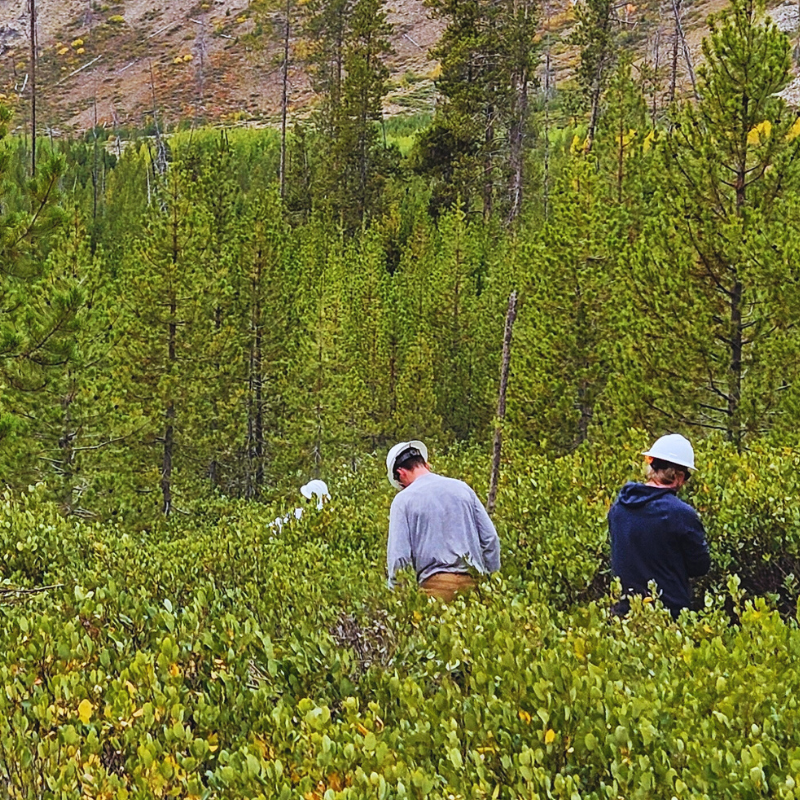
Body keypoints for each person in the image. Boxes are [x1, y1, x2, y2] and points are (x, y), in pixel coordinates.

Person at [608, 434, 710, 619]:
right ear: (678, 475)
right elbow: (700, 566)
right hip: (668, 617)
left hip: (622, 615)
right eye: (686, 475)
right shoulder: (680, 514)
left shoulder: (619, 508)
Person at [386, 440, 501, 602]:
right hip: (473, 586)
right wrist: (490, 581)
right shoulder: (463, 489)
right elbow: (490, 538)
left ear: (401, 473)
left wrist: (398, 596)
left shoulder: (403, 501)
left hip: (434, 589)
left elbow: (399, 557)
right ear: (426, 465)